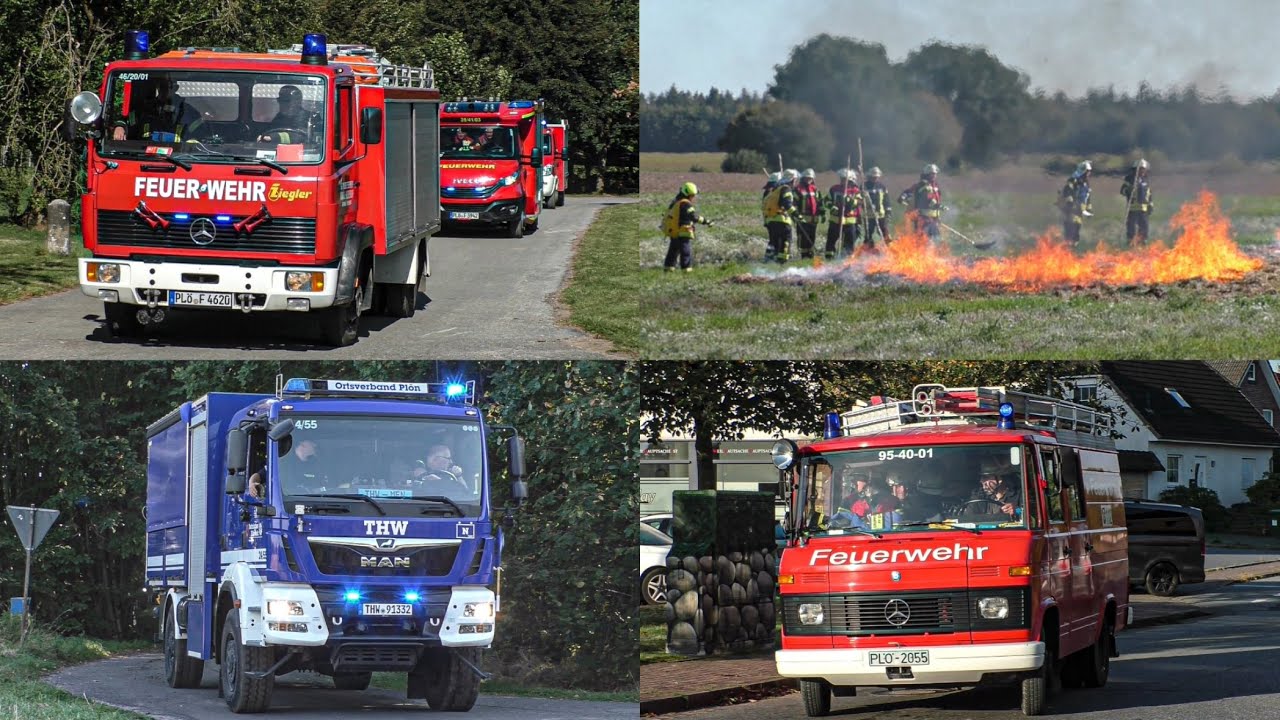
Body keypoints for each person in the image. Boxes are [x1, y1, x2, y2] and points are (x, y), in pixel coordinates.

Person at [112, 77, 206, 142]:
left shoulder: (188, 112)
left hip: (177, 159)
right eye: (162, 86)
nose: (164, 90)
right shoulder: (145, 108)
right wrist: (120, 127)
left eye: (168, 86)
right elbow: (126, 119)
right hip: (144, 157)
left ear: (176, 88)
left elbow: (201, 135)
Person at [662, 181, 712, 272]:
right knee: (685, 251)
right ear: (688, 195)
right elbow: (694, 217)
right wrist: (706, 221)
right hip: (683, 231)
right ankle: (686, 269)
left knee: (673, 250)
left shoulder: (676, 201)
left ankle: (668, 268)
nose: (693, 197)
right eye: (692, 195)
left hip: (674, 231)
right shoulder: (685, 203)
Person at [898, 164, 943, 241]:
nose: (934, 176)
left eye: (935, 174)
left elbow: (937, 200)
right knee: (921, 239)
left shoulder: (936, 186)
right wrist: (903, 197)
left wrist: (937, 217)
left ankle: (931, 249)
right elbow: (909, 192)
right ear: (927, 174)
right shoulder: (921, 185)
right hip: (922, 218)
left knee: (935, 239)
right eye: (932, 174)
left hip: (933, 218)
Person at [824, 169, 862, 259]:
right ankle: (829, 257)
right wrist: (831, 206)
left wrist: (851, 201)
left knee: (849, 241)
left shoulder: (855, 190)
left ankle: (847, 259)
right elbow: (826, 201)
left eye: (845, 179)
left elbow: (859, 202)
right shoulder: (834, 189)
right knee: (831, 240)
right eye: (842, 178)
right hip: (835, 220)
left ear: (850, 180)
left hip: (849, 221)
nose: (843, 181)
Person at [763, 170, 797, 262]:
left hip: (771, 220)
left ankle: (768, 260)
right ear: (792, 180)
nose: (795, 182)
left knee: (773, 242)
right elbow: (787, 204)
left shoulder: (775, 190)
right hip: (782, 220)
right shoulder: (786, 189)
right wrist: (796, 214)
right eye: (795, 180)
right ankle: (782, 262)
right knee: (786, 241)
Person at [1058, 160, 1093, 246]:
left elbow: (1087, 196)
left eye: (1089, 171)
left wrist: (1089, 208)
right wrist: (1070, 201)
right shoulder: (1074, 179)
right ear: (1084, 171)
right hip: (1072, 206)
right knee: (1071, 223)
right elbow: (1068, 190)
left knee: (1077, 224)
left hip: (1080, 207)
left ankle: (1074, 242)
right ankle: (1068, 241)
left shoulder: (1085, 182)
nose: (1089, 173)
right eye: (1088, 171)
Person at [1121, 158, 1154, 246]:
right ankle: (1130, 242)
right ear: (1136, 169)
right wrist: (1129, 189)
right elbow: (1122, 191)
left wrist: (1150, 204)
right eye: (1141, 169)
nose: (1143, 171)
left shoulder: (1145, 180)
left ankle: (1142, 242)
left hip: (1143, 209)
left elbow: (1149, 193)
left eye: (1144, 169)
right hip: (1132, 208)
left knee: (1144, 226)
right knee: (1131, 226)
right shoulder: (1129, 179)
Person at [794, 169, 823, 259]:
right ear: (803, 178)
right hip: (802, 219)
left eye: (810, 178)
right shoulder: (798, 189)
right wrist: (796, 215)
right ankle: (803, 256)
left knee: (812, 237)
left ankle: (810, 255)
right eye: (806, 178)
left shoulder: (815, 189)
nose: (808, 180)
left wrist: (822, 213)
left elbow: (819, 202)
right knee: (803, 239)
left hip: (813, 220)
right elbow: (794, 203)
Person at [863, 167, 893, 248]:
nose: (875, 178)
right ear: (869, 176)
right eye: (873, 177)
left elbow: (886, 200)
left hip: (881, 215)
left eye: (876, 177)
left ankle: (890, 248)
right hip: (868, 216)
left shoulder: (882, 186)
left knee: (885, 231)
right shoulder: (864, 186)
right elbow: (860, 200)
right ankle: (868, 249)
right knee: (868, 234)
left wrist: (888, 211)